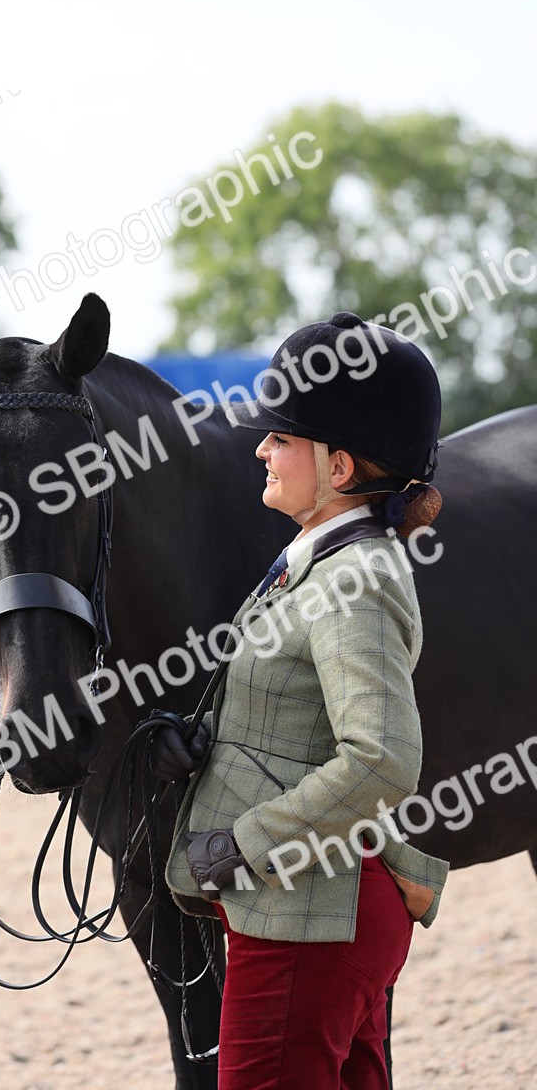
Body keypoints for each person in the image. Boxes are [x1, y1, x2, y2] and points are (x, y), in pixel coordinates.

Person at [152, 311, 450, 1089]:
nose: (261, 450)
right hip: (318, 913)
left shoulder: (355, 581)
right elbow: (300, 720)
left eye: (280, 438)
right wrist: (204, 742)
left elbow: (381, 761)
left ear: (338, 466)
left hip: (310, 921)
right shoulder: (320, 562)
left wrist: (243, 843)